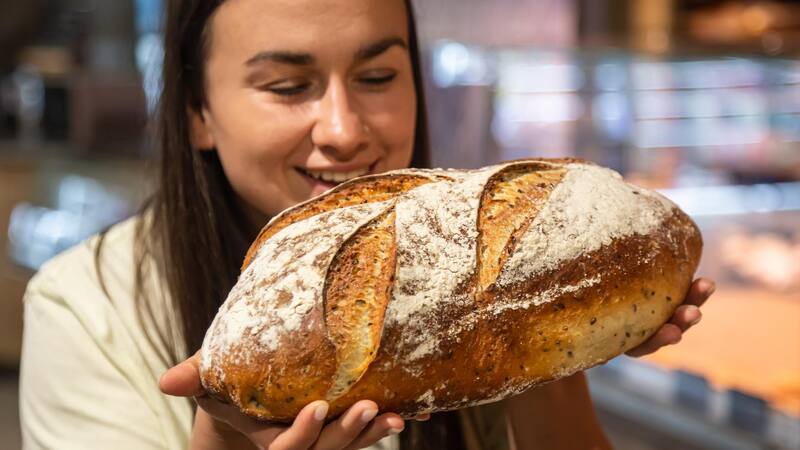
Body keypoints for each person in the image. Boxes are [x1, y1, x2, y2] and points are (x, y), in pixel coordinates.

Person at [18, 0, 716, 449]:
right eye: (289, 86)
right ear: (197, 110)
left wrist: (554, 345)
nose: (345, 130)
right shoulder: (84, 309)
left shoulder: (462, 266)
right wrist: (223, 442)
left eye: (378, 77)